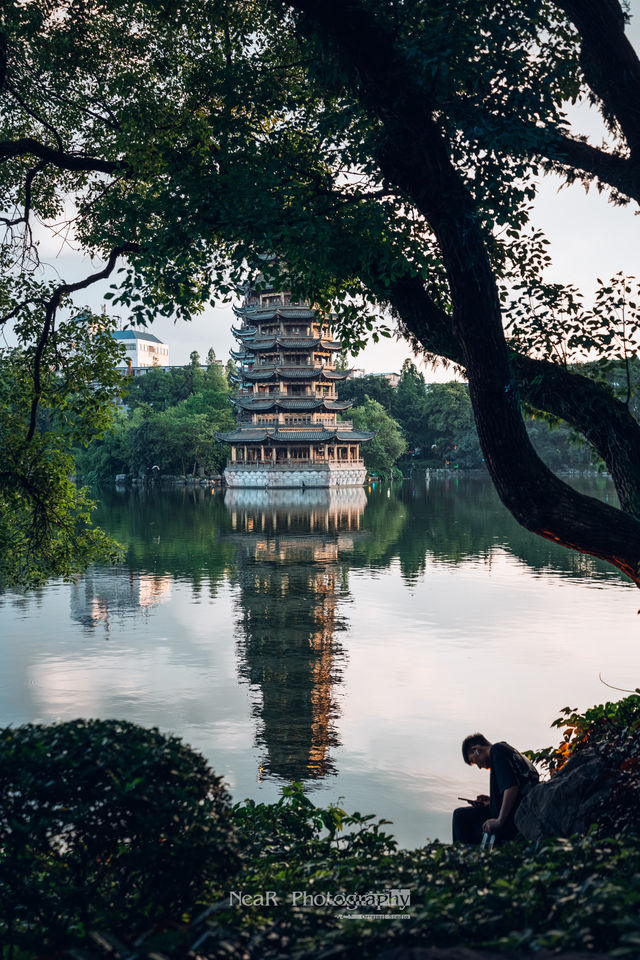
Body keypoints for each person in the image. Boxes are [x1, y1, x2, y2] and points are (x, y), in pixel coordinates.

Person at [452, 733, 539, 844]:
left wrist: (499, 821)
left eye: (474, 761)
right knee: (464, 815)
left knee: (461, 816)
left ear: (476, 750)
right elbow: (518, 786)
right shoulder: (509, 751)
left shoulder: (497, 750)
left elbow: (512, 787)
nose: (479, 767)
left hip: (510, 821)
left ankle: (461, 857)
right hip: (519, 811)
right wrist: (491, 801)